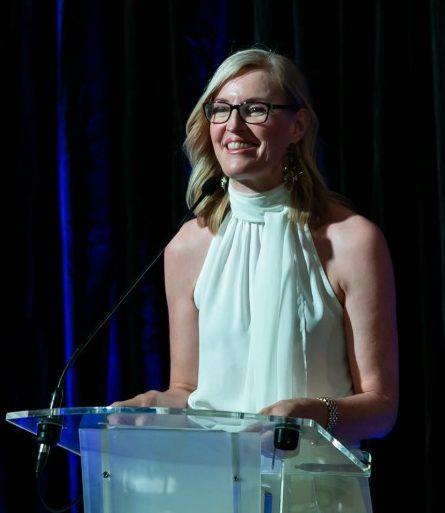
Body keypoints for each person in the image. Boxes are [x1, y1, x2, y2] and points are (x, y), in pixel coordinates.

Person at [112, 46, 399, 512]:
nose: (234, 125)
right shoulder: (187, 246)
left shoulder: (352, 241)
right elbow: (187, 390)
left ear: (298, 125)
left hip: (315, 497)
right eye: (221, 109)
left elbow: (381, 409)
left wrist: (313, 414)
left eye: (255, 109)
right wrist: (152, 407)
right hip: (211, 493)